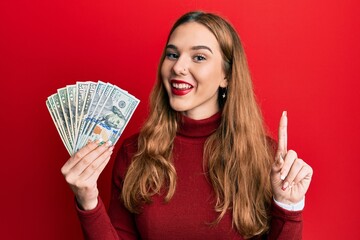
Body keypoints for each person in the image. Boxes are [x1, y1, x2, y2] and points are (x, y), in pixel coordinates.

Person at [61, 11, 313, 239]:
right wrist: (88, 200)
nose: (178, 67)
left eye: (199, 57)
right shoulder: (134, 153)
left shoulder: (266, 158)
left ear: (227, 75)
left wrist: (288, 206)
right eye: (172, 54)